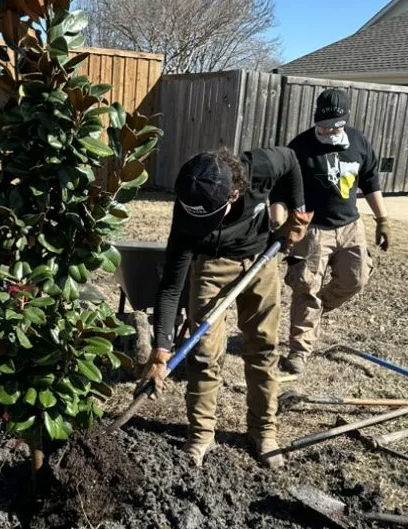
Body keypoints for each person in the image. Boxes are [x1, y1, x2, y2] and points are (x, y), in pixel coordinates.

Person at [139, 147, 311, 470]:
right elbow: (172, 287)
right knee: (204, 353)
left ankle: (263, 431)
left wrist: (298, 212)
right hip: (212, 265)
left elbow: (292, 159)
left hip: (260, 258)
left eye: (206, 219)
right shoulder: (187, 215)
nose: (197, 225)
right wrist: (161, 350)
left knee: (263, 348)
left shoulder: (260, 167)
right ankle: (201, 434)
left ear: (234, 194)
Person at [278, 88, 391, 377]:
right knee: (305, 288)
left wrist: (382, 220)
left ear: (345, 119)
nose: (328, 131)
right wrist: (282, 226)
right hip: (313, 230)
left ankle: (314, 311)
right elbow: (281, 191)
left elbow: (371, 182)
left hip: (351, 226)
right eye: (323, 125)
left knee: (356, 278)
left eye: (334, 126)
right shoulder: (300, 147)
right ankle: (299, 351)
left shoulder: (359, 142)